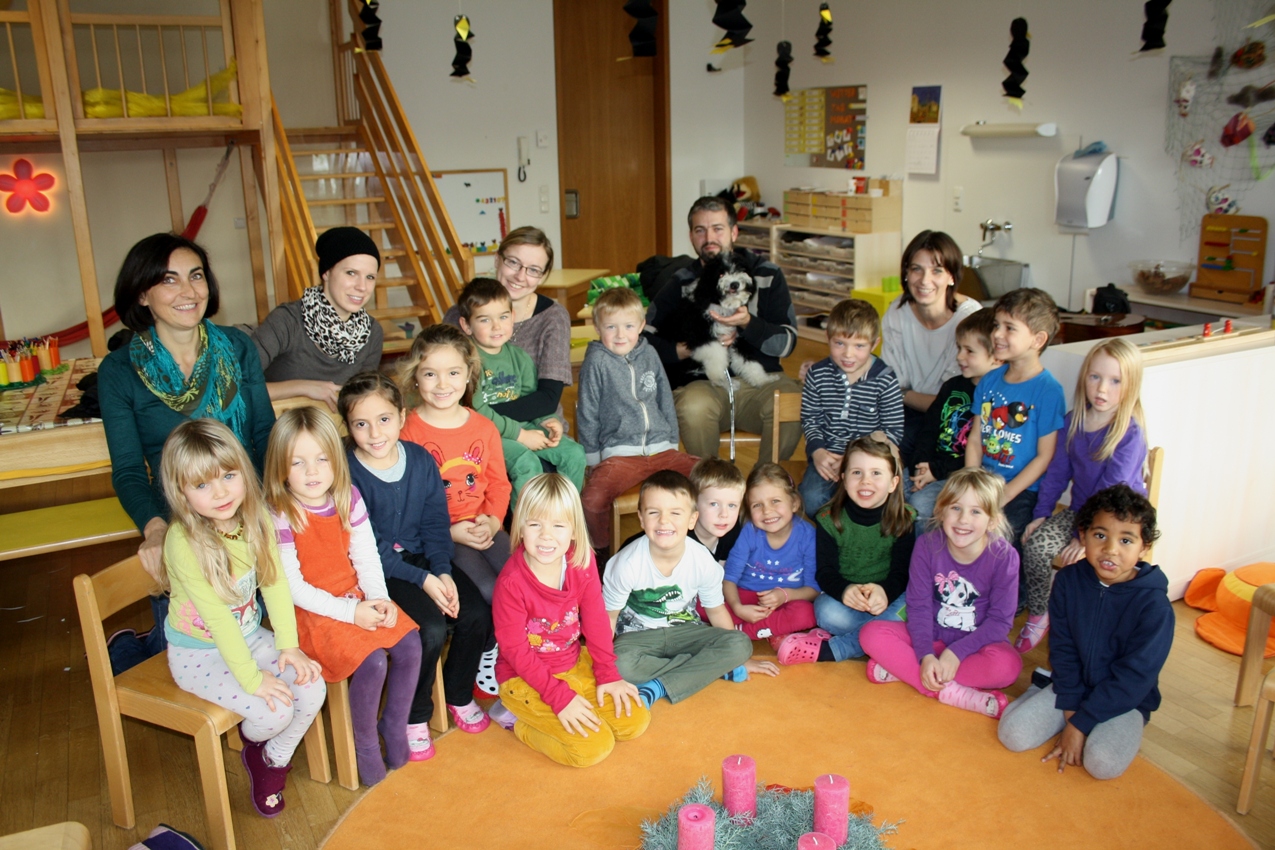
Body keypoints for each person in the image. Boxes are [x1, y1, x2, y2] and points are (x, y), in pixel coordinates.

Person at [99, 232, 275, 673]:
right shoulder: (119, 371)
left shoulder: (236, 347)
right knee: (189, 655)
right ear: (142, 294)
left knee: (251, 642)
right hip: (181, 522)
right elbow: (128, 469)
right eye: (169, 279)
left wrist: (273, 503)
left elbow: (264, 433)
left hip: (245, 512)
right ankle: (129, 648)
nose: (188, 291)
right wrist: (155, 529)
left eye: (195, 276)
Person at [157, 418, 325, 818]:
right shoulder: (183, 542)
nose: (220, 493)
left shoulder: (256, 517)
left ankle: (271, 758)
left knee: (312, 687)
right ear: (180, 491)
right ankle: (258, 748)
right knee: (275, 711)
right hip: (199, 655)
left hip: (248, 637)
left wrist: (288, 646)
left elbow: (275, 583)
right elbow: (218, 621)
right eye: (202, 485)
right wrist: (253, 680)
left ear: (243, 472)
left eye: (228, 476)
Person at [263, 407, 422, 786]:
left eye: (321, 459)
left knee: (410, 645)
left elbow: (365, 556)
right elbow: (292, 588)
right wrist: (352, 613)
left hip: (355, 595)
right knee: (372, 662)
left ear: (336, 460)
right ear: (281, 468)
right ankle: (363, 742)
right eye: (298, 462)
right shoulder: (280, 512)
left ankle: (393, 724)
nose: (312, 472)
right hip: (310, 612)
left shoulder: (348, 496)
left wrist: (379, 598)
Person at [339, 373, 494, 758]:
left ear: (401, 416)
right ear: (348, 428)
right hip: (376, 570)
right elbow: (369, 548)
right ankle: (414, 713)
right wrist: (423, 580)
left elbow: (435, 524)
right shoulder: (347, 472)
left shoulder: (421, 460)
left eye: (384, 419)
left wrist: (442, 571)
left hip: (424, 559)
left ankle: (458, 692)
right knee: (430, 628)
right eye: (361, 424)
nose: (375, 433)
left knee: (476, 613)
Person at [998, 485, 1172, 780]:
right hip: (1071, 686)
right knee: (1012, 735)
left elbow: (1135, 678)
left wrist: (1079, 725)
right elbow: (1063, 649)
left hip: (1124, 701)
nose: (1111, 549)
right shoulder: (1068, 581)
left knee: (1102, 765)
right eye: (1100, 535)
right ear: (1083, 535)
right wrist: (1071, 712)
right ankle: (1042, 688)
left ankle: (1081, 719)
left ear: (1144, 547)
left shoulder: (1154, 605)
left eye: (1126, 540)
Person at [490, 473, 650, 767]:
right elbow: (515, 651)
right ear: (520, 527)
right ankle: (516, 720)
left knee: (634, 722)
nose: (546, 536)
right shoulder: (511, 583)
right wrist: (559, 697)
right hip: (524, 678)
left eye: (558, 525)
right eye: (535, 524)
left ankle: (568, 704)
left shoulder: (582, 560)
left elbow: (596, 620)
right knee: (591, 749)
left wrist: (608, 674)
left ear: (574, 530)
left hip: (573, 663)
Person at [644, 196, 803, 466]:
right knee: (693, 407)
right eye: (700, 230)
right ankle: (710, 486)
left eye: (717, 228)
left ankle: (766, 484)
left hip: (760, 384)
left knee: (793, 402)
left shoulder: (767, 274)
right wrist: (686, 349)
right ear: (691, 237)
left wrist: (748, 324)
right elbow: (643, 340)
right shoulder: (680, 283)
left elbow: (788, 342)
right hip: (702, 386)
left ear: (734, 232)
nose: (709, 238)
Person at [1015, 338, 1148, 652]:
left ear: (1130, 385)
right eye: (1095, 377)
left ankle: (1093, 627)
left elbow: (1110, 492)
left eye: (1115, 381)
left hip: (1120, 520)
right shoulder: (1072, 422)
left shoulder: (1129, 433)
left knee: (1097, 561)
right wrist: (1041, 514)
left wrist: (1084, 537)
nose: (1102, 389)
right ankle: (1040, 612)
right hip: (1082, 513)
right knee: (1035, 546)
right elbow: (1056, 474)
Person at [603, 470, 776, 708]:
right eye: (654, 512)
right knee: (619, 665)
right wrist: (605, 672)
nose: (664, 521)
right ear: (641, 519)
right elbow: (608, 618)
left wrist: (739, 659)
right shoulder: (625, 564)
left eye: (675, 513)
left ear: (692, 519)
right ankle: (707, 669)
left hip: (685, 632)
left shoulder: (702, 560)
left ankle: (659, 686)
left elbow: (716, 610)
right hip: (638, 638)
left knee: (740, 644)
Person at [860, 468, 1022, 718]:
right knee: (870, 634)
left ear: (992, 521)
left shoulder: (1005, 557)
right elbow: (919, 607)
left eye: (976, 511)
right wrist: (926, 654)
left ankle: (906, 671)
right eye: (955, 508)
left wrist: (955, 654)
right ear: (941, 510)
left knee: (1008, 666)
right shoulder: (927, 545)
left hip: (975, 645)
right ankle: (950, 691)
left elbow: (1000, 622)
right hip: (931, 637)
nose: (963, 520)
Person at [397, 323, 512, 604]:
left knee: (521, 579)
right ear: (415, 377)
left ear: (468, 373)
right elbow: (405, 502)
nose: (442, 384)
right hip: (439, 535)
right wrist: (449, 533)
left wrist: (493, 521)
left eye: (453, 373)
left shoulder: (484, 428)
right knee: (488, 590)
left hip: (484, 526)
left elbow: (499, 485)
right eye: (430, 374)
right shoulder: (405, 433)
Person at [577, 286, 698, 550]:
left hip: (663, 450)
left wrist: (672, 441)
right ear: (597, 327)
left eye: (629, 326)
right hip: (621, 455)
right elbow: (587, 412)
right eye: (611, 327)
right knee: (592, 501)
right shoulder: (596, 362)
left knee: (708, 479)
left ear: (641, 326)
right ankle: (601, 553)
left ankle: (697, 544)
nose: (621, 335)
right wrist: (593, 460)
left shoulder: (650, 354)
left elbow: (665, 399)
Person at [781, 435, 916, 664]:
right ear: (843, 479)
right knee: (825, 612)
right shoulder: (828, 519)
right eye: (857, 473)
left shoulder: (904, 519)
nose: (865, 481)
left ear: (893, 483)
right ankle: (886, 640)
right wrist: (845, 591)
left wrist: (884, 592)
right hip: (849, 602)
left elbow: (902, 573)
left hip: (888, 597)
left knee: (913, 604)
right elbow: (825, 573)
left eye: (876, 473)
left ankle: (841, 648)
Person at [458, 277, 586, 498]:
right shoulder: (467, 361)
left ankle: (565, 513)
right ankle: (525, 520)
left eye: (503, 317)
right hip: (487, 435)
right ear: (466, 325)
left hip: (523, 428)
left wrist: (546, 420)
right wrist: (521, 435)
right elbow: (478, 412)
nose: (497, 326)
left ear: (513, 317)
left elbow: (530, 397)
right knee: (526, 463)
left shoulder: (519, 357)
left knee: (574, 454)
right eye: (485, 320)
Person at [964, 288, 1065, 544]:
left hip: (1021, 491)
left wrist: (1005, 495)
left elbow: (1044, 456)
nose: (997, 334)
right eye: (996, 325)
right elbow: (975, 439)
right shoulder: (989, 381)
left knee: (999, 538)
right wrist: (972, 482)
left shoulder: (1048, 391)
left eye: (1009, 328)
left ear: (1038, 340)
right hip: (983, 484)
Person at [443, 227, 572, 426]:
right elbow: (446, 387)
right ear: (497, 260)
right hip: (474, 430)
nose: (520, 276)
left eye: (533, 270)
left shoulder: (553, 317)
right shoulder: (459, 314)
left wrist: (482, 416)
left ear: (543, 275)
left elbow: (547, 398)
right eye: (513, 262)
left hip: (538, 424)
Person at [252, 226, 383, 410]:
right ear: (326, 273)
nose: (362, 286)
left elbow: (362, 399)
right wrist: (303, 388)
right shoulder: (287, 320)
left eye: (370, 277)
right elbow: (236, 386)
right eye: (351, 273)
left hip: (336, 427)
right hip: (280, 426)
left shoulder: (372, 332)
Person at [880, 231, 981, 464]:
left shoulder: (969, 320)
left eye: (937, 271)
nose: (924, 281)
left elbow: (949, 401)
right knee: (873, 447)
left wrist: (902, 394)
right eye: (916, 269)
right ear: (906, 273)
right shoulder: (897, 313)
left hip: (957, 416)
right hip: (906, 409)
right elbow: (891, 385)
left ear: (952, 276)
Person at [799, 298, 904, 513]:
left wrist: (853, 461)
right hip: (828, 458)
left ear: (874, 344)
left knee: (892, 502)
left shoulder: (885, 379)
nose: (848, 354)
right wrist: (817, 451)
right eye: (839, 343)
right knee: (811, 499)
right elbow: (810, 419)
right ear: (827, 338)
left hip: (869, 463)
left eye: (859, 346)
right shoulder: (817, 374)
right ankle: (833, 530)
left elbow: (893, 431)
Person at [906, 308, 1000, 523]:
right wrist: (921, 465)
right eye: (959, 348)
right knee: (891, 488)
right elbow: (929, 429)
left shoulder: (997, 398)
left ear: (996, 357)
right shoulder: (952, 386)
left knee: (920, 504)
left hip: (957, 475)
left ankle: (927, 546)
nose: (959, 356)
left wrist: (936, 471)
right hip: (929, 467)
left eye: (969, 351)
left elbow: (979, 455)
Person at [716, 463, 818, 647]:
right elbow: (729, 579)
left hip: (787, 601)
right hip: (746, 597)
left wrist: (785, 595)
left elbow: (813, 589)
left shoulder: (808, 536)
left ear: (794, 503)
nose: (767, 511)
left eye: (775, 501)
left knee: (808, 613)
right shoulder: (749, 532)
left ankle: (739, 631)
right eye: (757, 505)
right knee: (703, 604)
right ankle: (772, 629)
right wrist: (738, 608)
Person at [689, 458, 747, 564]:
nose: (724, 514)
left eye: (732, 505)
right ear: (694, 502)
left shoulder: (733, 532)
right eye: (714, 504)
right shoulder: (682, 542)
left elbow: (721, 570)